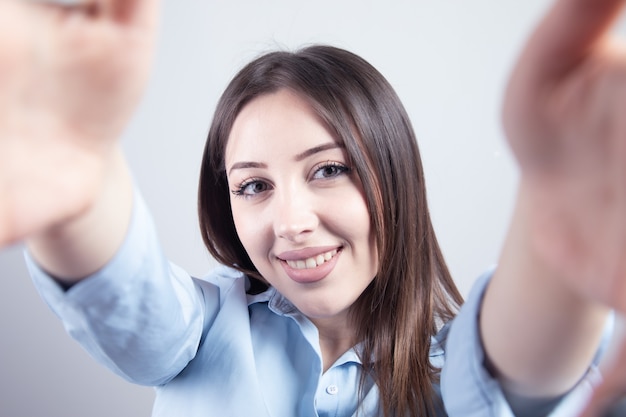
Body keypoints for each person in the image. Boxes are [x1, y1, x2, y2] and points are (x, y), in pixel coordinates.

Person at [0, 0, 625, 416]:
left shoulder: (451, 364)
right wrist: (76, 186)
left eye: (329, 170)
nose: (291, 222)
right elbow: (128, 300)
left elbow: (513, 375)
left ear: (393, 172)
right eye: (253, 186)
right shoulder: (205, 330)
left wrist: (555, 240)